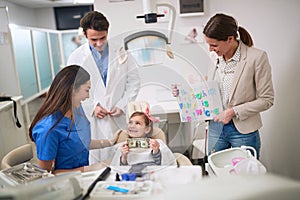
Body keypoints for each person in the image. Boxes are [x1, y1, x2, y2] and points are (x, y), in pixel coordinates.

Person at [173, 13, 274, 159]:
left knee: (244, 177)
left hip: (243, 130)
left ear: (230, 39)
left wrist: (232, 112)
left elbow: (267, 99)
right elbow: (209, 90)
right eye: (208, 44)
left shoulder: (256, 58)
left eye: (214, 45)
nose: (210, 49)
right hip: (216, 128)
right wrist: (182, 92)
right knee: (215, 173)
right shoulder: (214, 57)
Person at [67, 11, 140, 164]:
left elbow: (133, 81)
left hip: (117, 117)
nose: (99, 43)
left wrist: (122, 105)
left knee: (122, 159)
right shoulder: (76, 57)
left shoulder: (121, 52)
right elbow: (72, 88)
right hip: (91, 119)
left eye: (103, 38)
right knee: (95, 162)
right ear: (85, 35)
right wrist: (92, 106)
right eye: (94, 39)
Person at [29, 65, 119, 174]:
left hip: (82, 177)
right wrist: (90, 169)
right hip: (63, 184)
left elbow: (79, 142)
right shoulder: (48, 129)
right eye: (87, 90)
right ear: (72, 90)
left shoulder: (76, 109)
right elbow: (45, 175)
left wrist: (109, 142)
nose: (88, 96)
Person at [110, 111, 176, 167]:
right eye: (130, 122)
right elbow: (120, 171)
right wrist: (124, 157)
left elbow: (164, 166)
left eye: (138, 123)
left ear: (147, 129)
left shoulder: (157, 144)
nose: (132, 126)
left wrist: (156, 152)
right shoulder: (122, 147)